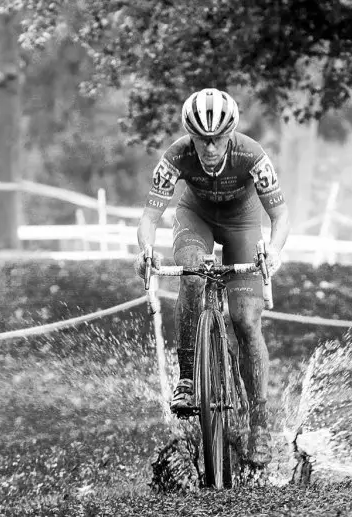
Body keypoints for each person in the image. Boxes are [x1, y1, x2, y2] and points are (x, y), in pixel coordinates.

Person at [133, 88, 291, 467]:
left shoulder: (252, 155)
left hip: (243, 223)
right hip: (196, 219)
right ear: (190, 135)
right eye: (200, 140)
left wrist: (274, 251)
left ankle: (259, 424)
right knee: (191, 274)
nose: (208, 148)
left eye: (217, 139)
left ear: (230, 133)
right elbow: (149, 217)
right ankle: (187, 378)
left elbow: (280, 216)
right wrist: (146, 250)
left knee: (245, 321)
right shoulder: (175, 156)